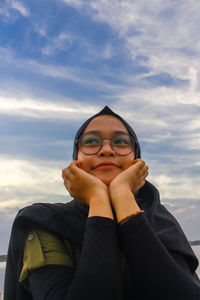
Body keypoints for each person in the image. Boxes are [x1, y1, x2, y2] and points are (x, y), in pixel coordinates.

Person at [4, 106, 200, 300]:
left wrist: (122, 194)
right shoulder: (46, 223)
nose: (106, 150)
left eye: (120, 142)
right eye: (91, 142)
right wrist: (98, 199)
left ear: (136, 160)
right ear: (76, 160)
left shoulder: (161, 221)